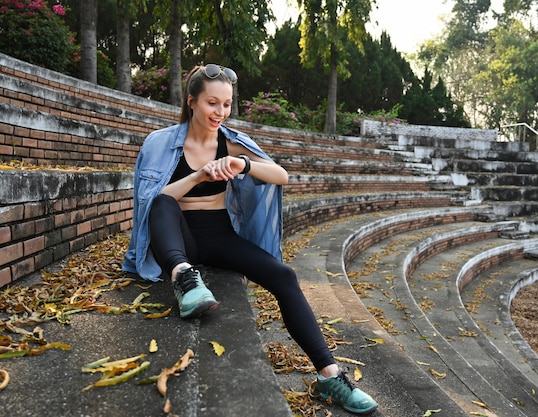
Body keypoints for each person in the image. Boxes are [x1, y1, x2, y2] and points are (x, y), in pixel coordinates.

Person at [122, 64, 378, 415]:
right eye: (213, 103)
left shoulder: (230, 141)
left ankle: (329, 376)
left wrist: (243, 164)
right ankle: (183, 276)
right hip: (176, 237)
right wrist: (198, 176)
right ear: (192, 101)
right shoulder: (160, 143)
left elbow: (281, 175)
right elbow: (150, 202)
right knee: (163, 201)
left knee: (284, 276)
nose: (220, 112)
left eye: (226, 105)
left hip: (220, 235)